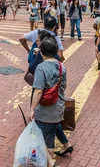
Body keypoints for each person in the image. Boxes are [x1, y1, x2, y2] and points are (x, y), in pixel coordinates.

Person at [30, 36, 73, 166]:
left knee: (39, 141)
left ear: (41, 51)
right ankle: (50, 163)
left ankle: (47, 163)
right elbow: (64, 87)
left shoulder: (41, 68)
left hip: (45, 112)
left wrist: (32, 109)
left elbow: (38, 91)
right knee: (50, 140)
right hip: (58, 109)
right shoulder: (62, 67)